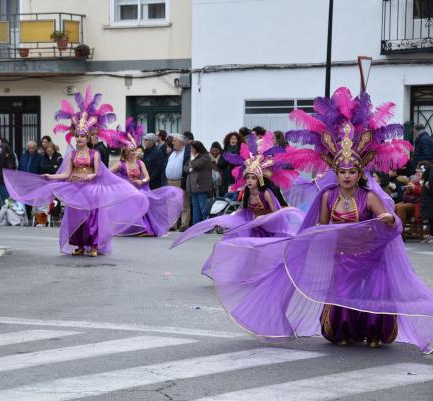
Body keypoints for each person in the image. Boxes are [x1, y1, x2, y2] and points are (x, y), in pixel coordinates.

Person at [211, 87, 433, 352]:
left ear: (360, 173)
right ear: (336, 173)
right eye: (342, 171)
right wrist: (311, 238)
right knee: (342, 298)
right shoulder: (327, 197)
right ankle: (346, 332)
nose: (347, 176)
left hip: (371, 258)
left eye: (352, 171)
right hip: (342, 258)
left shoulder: (370, 196)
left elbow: (393, 223)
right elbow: (321, 227)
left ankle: (374, 333)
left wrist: (387, 219)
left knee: (374, 293)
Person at [3, 86, 148, 256]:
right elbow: (66, 174)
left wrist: (92, 175)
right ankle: (79, 245)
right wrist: (51, 176)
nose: (79, 139)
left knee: (92, 217)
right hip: (75, 188)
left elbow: (99, 172)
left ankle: (93, 245)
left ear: (87, 138)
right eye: (77, 136)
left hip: (91, 189)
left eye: (82, 137)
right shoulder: (71, 155)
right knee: (75, 217)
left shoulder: (95, 154)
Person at [172, 131, 300, 278]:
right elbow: (243, 211)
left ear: (259, 180)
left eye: (253, 178)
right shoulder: (246, 192)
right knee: (238, 246)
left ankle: (270, 275)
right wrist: (231, 217)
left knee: (268, 254)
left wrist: (264, 219)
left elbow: (276, 212)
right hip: (255, 228)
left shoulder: (265, 194)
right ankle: (236, 273)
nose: (250, 181)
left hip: (270, 229)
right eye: (248, 178)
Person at [110, 119, 183, 237]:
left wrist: (141, 181)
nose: (134, 152)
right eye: (131, 151)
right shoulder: (121, 164)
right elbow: (109, 174)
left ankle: (146, 229)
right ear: (126, 153)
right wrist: (119, 183)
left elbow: (147, 177)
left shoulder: (140, 163)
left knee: (142, 201)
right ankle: (131, 228)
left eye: (134, 150)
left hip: (139, 190)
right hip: (127, 192)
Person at [184, 141, 213, 225]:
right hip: (193, 186)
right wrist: (189, 168)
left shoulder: (205, 157)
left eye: (192, 148)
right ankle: (196, 225)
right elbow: (185, 168)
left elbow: (195, 165)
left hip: (201, 185)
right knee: (195, 206)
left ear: (197, 148)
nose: (191, 150)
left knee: (203, 206)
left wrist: (191, 162)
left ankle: (206, 226)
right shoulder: (193, 157)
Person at [164, 134, 189, 230]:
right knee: (172, 204)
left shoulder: (185, 153)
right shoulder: (173, 154)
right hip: (170, 181)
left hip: (180, 181)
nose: (173, 142)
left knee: (184, 204)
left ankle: (184, 224)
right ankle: (172, 225)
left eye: (175, 140)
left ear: (181, 142)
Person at [218, 132, 245, 196]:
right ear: (228, 140)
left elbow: (244, 164)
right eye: (231, 139)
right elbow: (219, 165)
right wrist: (227, 159)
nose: (233, 140)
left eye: (235, 139)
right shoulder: (224, 151)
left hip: (236, 180)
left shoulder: (240, 151)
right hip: (225, 180)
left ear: (238, 141)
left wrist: (234, 160)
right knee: (225, 198)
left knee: (234, 199)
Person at [0, 142, 17, 207]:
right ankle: (4, 214)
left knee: (6, 199)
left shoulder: (9, 157)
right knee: (3, 199)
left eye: (0, 149)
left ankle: (7, 214)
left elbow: (10, 169)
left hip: (4, 181)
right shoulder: (0, 156)